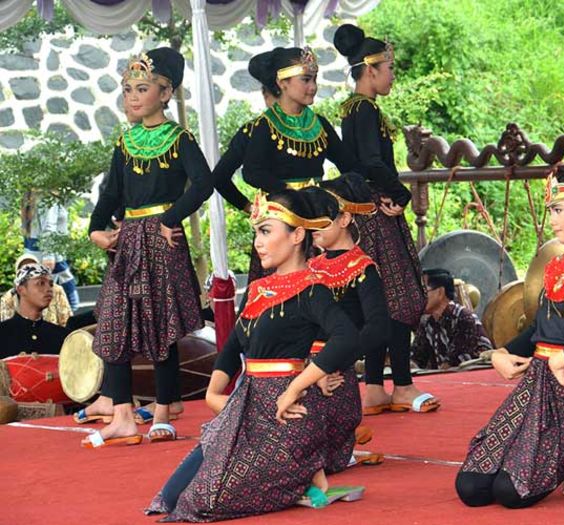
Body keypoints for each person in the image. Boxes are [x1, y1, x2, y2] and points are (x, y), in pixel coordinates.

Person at [146, 190, 360, 521]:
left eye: (266, 231)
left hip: (287, 414)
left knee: (202, 503)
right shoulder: (259, 289)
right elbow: (232, 347)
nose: (258, 242)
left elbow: (347, 337)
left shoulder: (313, 289)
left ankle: (303, 471)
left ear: (297, 235)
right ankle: (303, 478)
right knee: (172, 498)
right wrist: (214, 390)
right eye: (256, 232)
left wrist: (295, 387)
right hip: (246, 410)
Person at [456, 157, 564, 508]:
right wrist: (502, 353)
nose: (551, 219)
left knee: (511, 493)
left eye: (558, 209)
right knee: (471, 488)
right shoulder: (555, 267)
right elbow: (540, 329)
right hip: (536, 379)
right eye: (550, 210)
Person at [83, 47, 213, 448]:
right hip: (127, 241)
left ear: (165, 93)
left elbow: (204, 183)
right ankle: (121, 413)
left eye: (142, 88)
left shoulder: (179, 138)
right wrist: (95, 230)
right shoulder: (125, 141)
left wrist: (170, 220)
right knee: (113, 322)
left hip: (161, 239)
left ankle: (162, 411)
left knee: (162, 324)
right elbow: (111, 193)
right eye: (127, 90)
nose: (132, 97)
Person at [334, 24, 436, 415]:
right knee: (403, 298)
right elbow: (371, 162)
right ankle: (404, 386)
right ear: (371, 70)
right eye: (389, 68)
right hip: (378, 210)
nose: (393, 75)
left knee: (382, 300)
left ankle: (375, 386)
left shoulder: (355, 109)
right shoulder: (364, 110)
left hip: (368, 210)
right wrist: (399, 193)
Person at [241, 46, 360, 282]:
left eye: (314, 79)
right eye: (305, 79)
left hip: (317, 217)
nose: (313, 86)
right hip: (281, 217)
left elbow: (350, 165)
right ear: (282, 82)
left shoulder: (319, 123)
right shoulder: (264, 125)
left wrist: (328, 193)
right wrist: (287, 192)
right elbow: (252, 173)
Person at [304, 174, 390, 473]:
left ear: (344, 219)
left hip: (333, 374)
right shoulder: (310, 267)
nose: (312, 227)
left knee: (306, 457)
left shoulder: (363, 268)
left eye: (321, 219)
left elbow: (378, 327)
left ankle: (342, 442)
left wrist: (333, 364)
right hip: (300, 369)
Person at [212, 52, 281, 215]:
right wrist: (249, 206)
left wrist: (249, 207)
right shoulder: (253, 130)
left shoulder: (252, 129)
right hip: (278, 217)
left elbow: (219, 177)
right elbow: (219, 177)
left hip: (280, 214)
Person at [411, 268, 493, 370]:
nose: (417, 297)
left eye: (422, 291)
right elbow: (416, 359)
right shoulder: (427, 323)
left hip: (476, 378)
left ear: (440, 292)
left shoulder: (464, 318)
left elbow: (452, 364)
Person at [0, 263, 70, 359]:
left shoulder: (62, 336)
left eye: (51, 284)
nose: (49, 289)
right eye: (41, 283)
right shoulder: (3, 334)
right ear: (21, 290)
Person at [1, 254, 72, 327]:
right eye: (25, 269)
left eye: (33, 268)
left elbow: (66, 320)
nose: (30, 272)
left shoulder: (56, 290)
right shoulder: (8, 298)